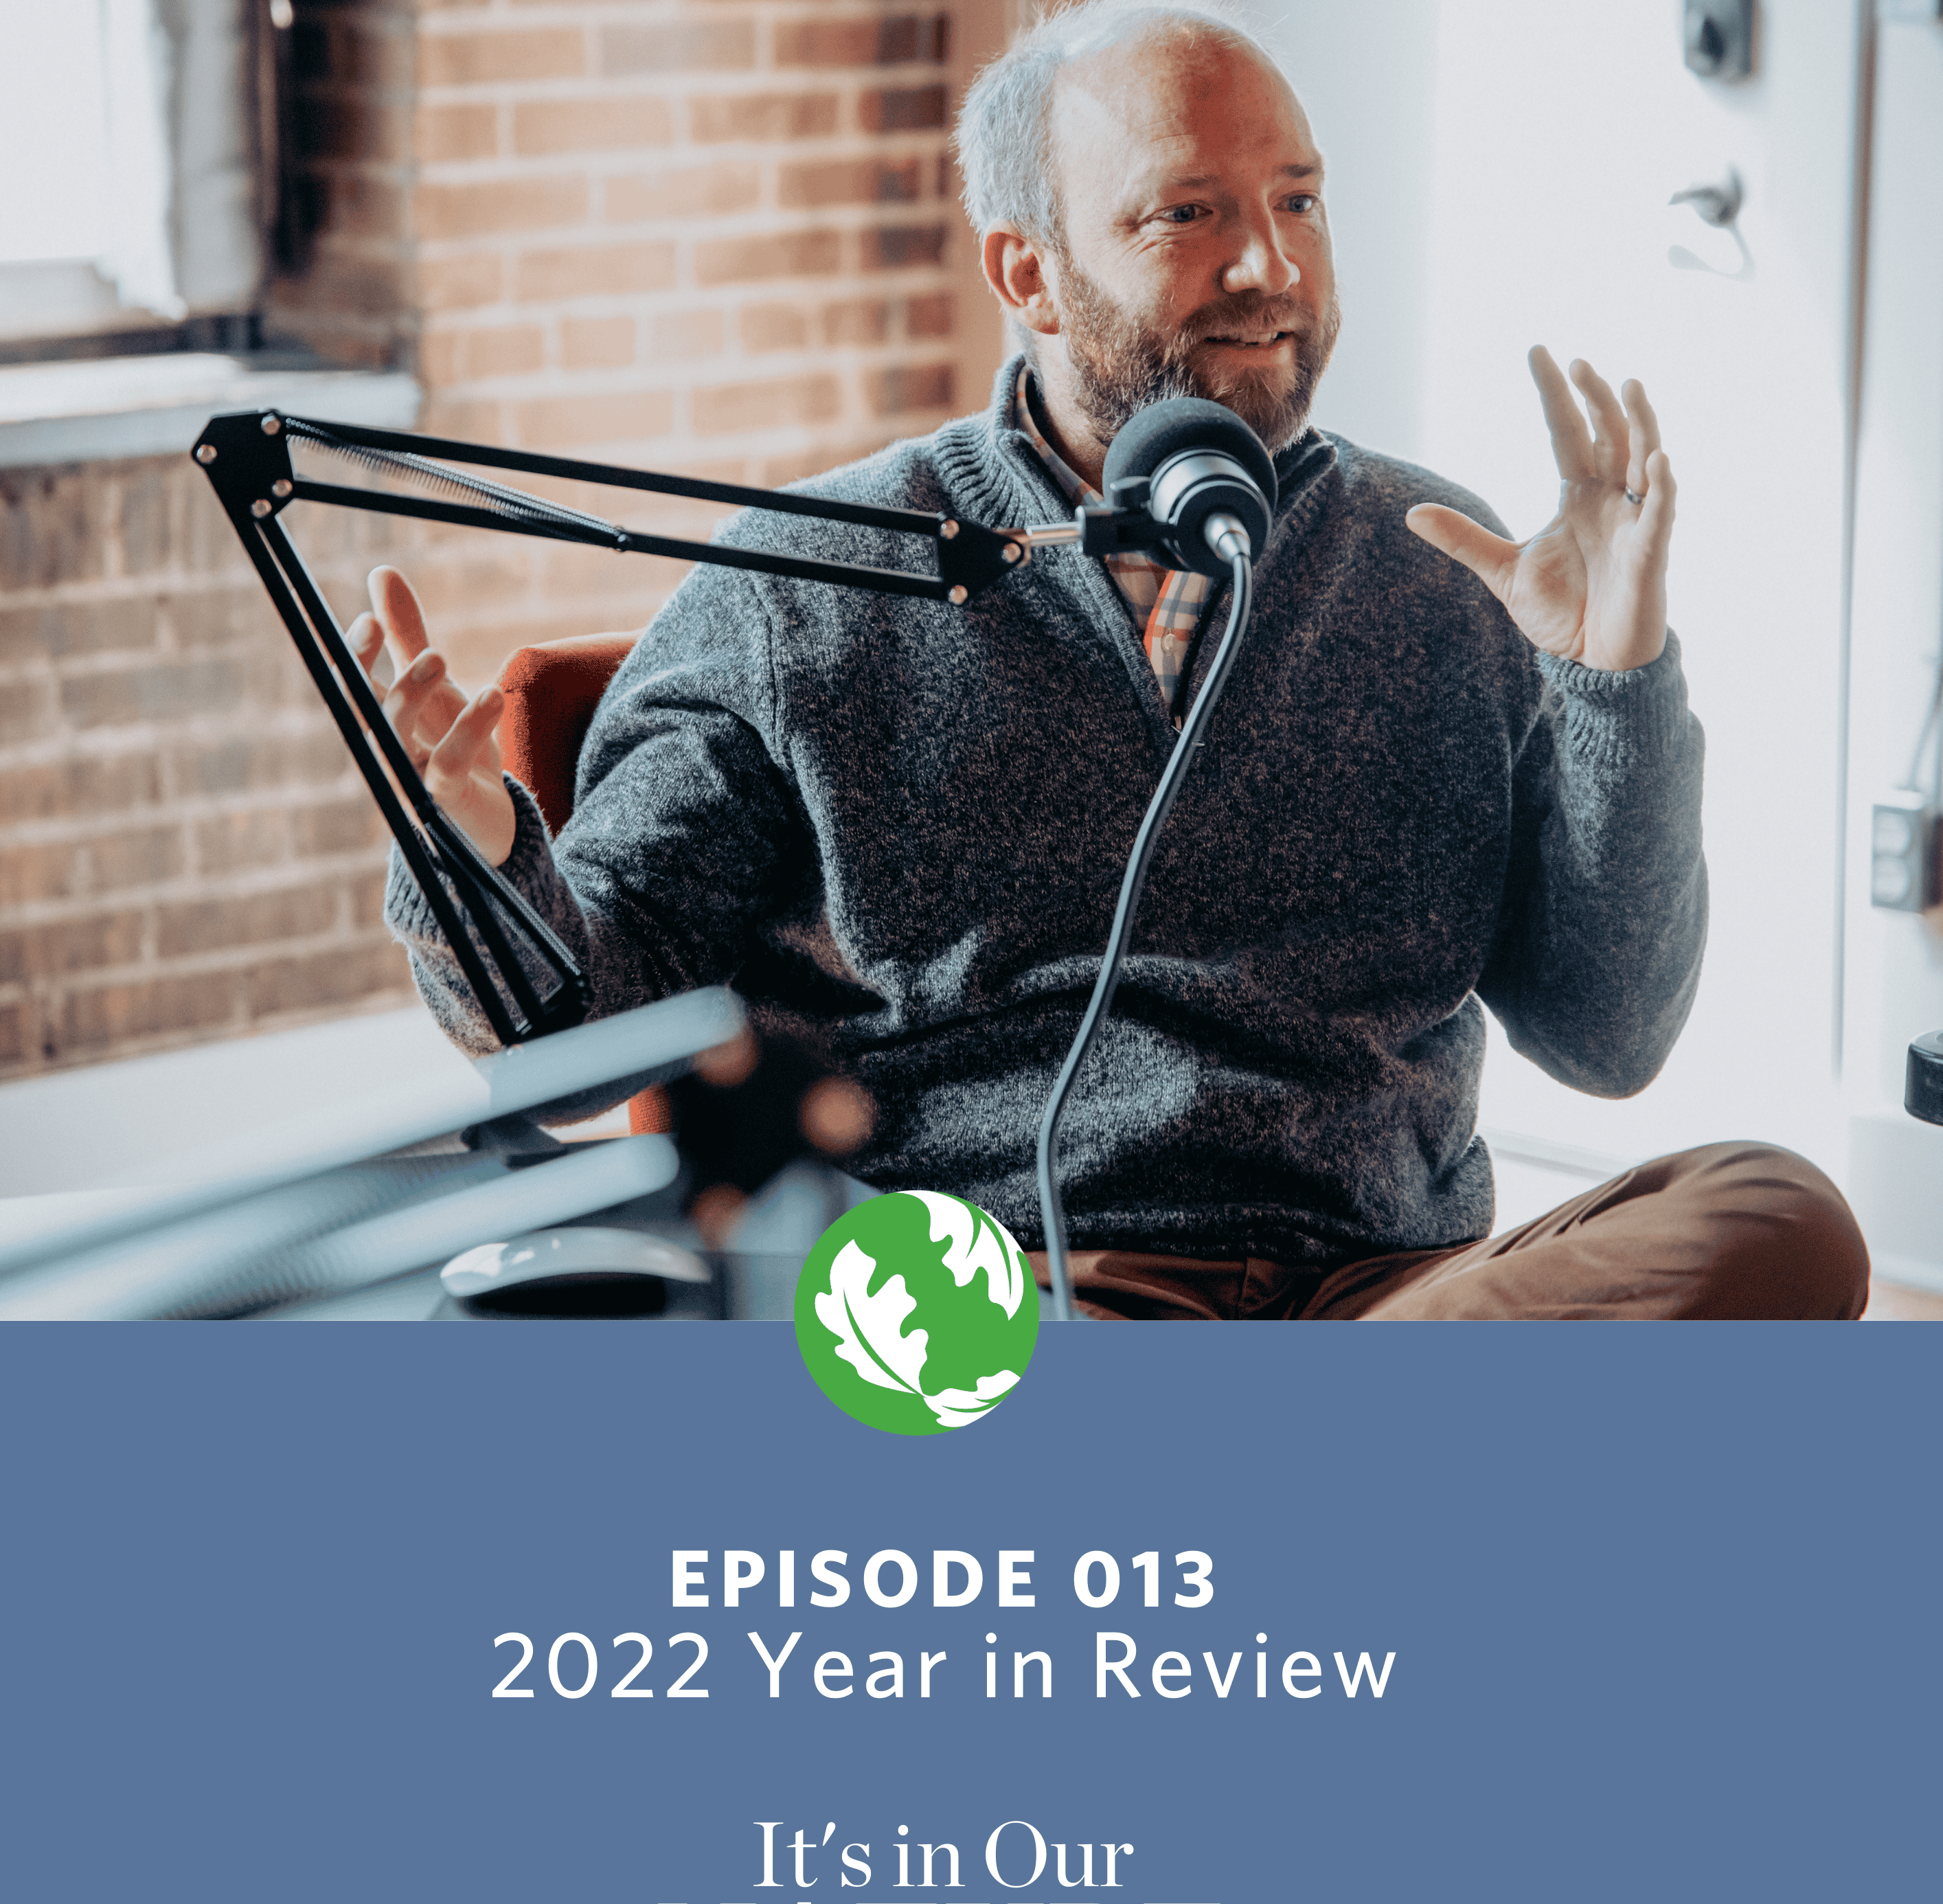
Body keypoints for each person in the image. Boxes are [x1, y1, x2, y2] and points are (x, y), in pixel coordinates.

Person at [360, 0, 1867, 1319]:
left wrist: (1615, 680)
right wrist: (473, 849)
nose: (1269, 262)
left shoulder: (1443, 562)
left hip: (1382, 1294)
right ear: (1026, 272)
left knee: (1777, 1214)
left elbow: (1610, 1039)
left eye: (1298, 199)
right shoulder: (806, 579)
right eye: (1185, 215)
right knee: (895, 1340)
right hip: (992, 1294)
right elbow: (575, 1041)